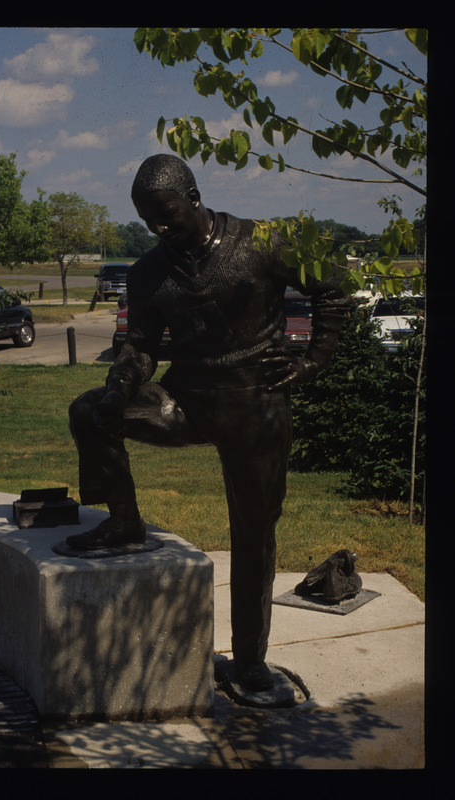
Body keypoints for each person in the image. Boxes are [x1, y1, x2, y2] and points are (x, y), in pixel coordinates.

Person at [66, 154, 352, 691]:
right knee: (89, 411)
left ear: (193, 197)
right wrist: (119, 386)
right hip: (186, 401)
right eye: (148, 220)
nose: (159, 228)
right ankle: (124, 520)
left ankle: (249, 660)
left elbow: (333, 287)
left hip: (256, 406)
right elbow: (141, 345)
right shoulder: (148, 272)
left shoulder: (262, 242)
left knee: (253, 532)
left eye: (166, 215)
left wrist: (311, 362)